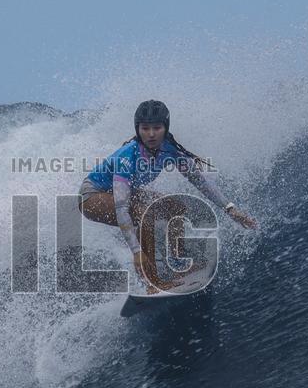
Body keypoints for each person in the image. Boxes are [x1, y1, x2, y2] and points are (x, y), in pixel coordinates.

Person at [77, 100, 257, 293]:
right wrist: (136, 252)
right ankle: (151, 282)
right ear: (138, 129)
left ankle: (179, 262)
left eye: (157, 127)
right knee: (146, 214)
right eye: (145, 128)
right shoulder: (127, 157)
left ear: (166, 128)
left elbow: (201, 182)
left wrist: (230, 209)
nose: (151, 134)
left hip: (120, 192)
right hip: (91, 196)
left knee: (175, 207)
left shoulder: (169, 150)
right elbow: (122, 208)